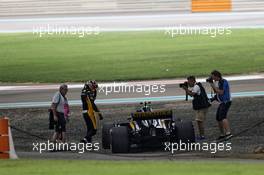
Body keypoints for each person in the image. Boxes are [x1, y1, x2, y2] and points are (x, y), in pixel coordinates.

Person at [181, 76, 211, 140]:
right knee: (199, 121)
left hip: (202, 107)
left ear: (193, 81)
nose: (188, 83)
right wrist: (186, 89)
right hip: (202, 106)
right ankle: (201, 135)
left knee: (199, 121)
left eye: (189, 82)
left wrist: (185, 89)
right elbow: (191, 93)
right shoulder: (197, 86)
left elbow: (191, 94)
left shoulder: (196, 87)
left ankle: (202, 136)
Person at [209, 70, 232, 140]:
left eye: (212, 77)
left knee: (222, 117)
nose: (212, 78)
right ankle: (222, 134)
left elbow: (221, 92)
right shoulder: (218, 82)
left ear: (216, 76)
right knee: (218, 118)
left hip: (226, 102)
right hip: (222, 102)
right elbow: (217, 92)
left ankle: (228, 133)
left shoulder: (223, 81)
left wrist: (212, 84)